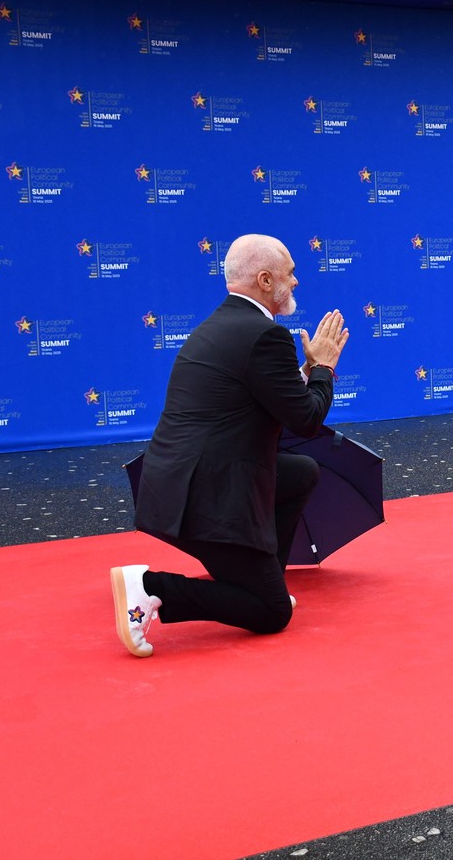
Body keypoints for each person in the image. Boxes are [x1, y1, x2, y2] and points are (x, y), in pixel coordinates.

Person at [111, 233, 349, 657]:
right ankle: (148, 587)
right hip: (206, 499)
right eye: (290, 273)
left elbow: (263, 397)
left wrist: (308, 369)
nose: (296, 282)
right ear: (263, 279)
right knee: (271, 613)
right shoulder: (263, 336)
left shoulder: (225, 326)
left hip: (180, 484)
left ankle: (265, 578)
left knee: (300, 473)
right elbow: (307, 420)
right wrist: (325, 369)